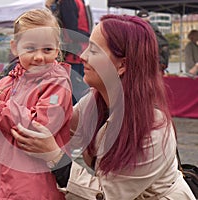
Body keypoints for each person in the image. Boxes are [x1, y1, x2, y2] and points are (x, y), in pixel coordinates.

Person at [11, 14, 196, 200]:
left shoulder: (153, 129)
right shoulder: (94, 101)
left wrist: (56, 158)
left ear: (121, 65)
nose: (82, 56)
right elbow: (54, 127)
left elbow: (107, 196)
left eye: (94, 50)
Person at [0, 8, 73, 199]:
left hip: (34, 187)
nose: (39, 56)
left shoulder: (57, 83)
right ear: (15, 48)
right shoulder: (6, 83)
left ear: (57, 49)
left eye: (47, 49)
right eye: (30, 48)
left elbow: (41, 127)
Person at [46, 0, 92, 77]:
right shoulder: (68, 2)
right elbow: (72, 32)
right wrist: (91, 38)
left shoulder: (79, 2)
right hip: (72, 57)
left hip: (80, 56)